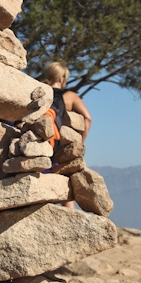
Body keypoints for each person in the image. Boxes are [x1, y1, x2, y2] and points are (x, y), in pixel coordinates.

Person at [43, 62, 91, 208]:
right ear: (62, 78)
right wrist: (79, 145)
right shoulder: (70, 96)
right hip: (59, 150)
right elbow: (87, 119)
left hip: (39, 148)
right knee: (67, 192)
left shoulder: (39, 91)